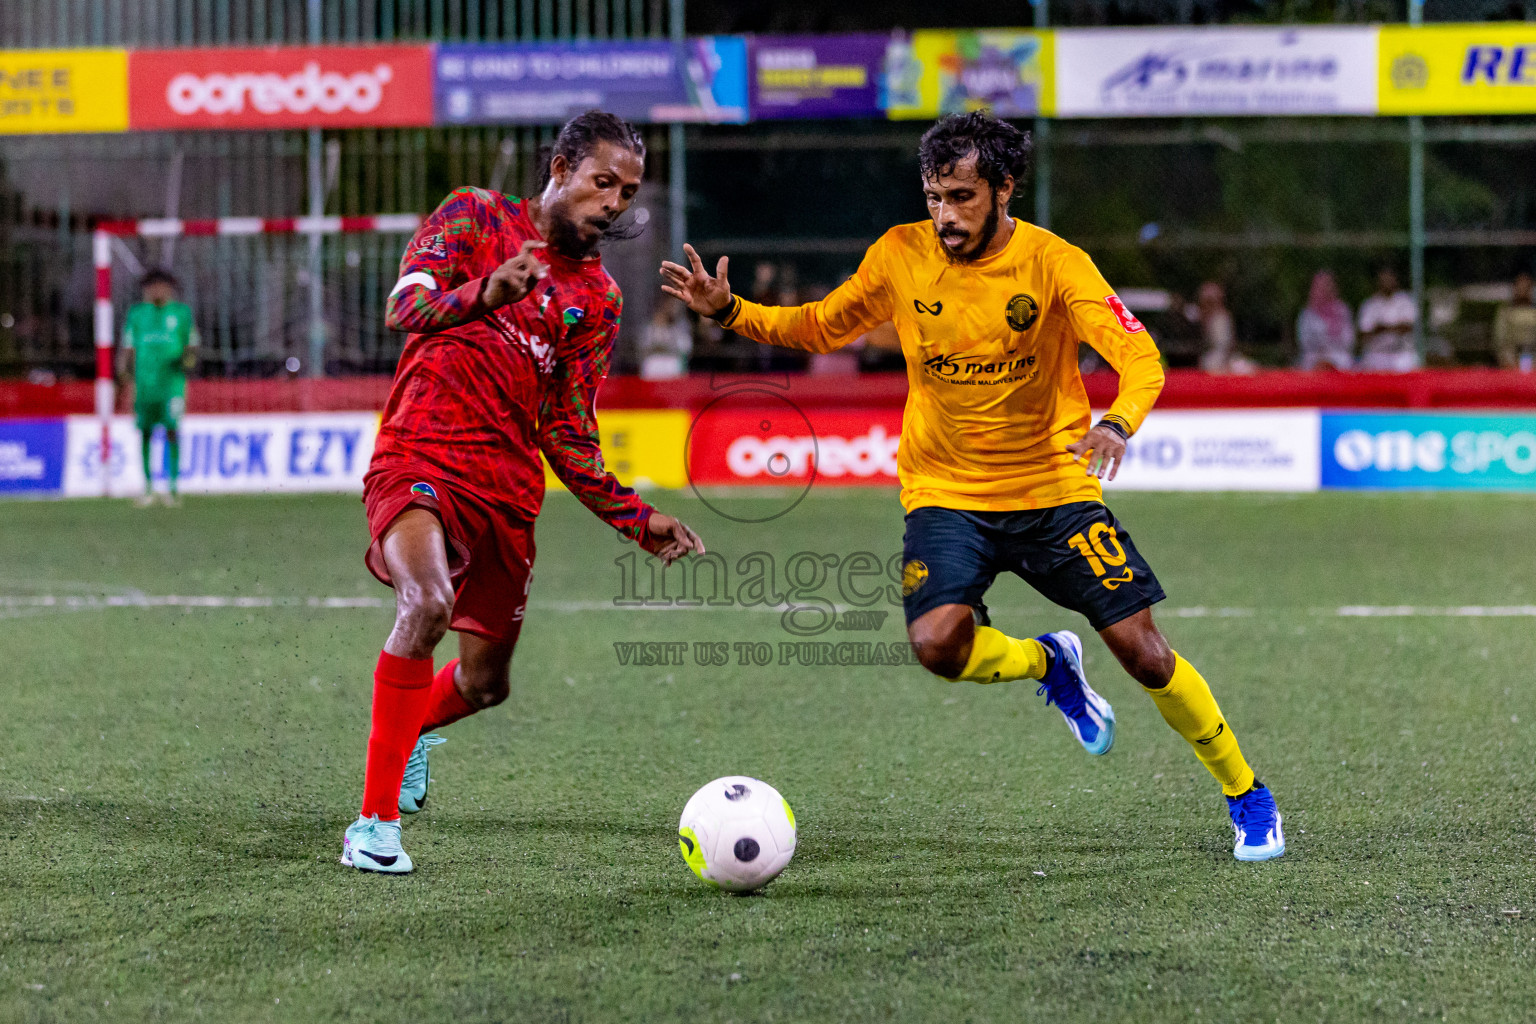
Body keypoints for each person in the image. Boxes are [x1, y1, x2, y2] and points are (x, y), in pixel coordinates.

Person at [662, 112, 1284, 862]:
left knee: (1145, 654)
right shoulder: (900, 254)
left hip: (1053, 484)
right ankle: (1047, 662)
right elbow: (821, 326)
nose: (945, 215)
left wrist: (1117, 424)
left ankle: (1247, 793)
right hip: (947, 491)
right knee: (936, 645)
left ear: (1004, 189)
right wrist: (731, 311)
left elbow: (1139, 355)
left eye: (960, 197)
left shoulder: (1054, 263)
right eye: (933, 197)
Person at [342, 111, 705, 874]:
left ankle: (412, 734)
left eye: (627, 190)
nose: (613, 203)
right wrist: (485, 291)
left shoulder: (599, 301)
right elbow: (403, 309)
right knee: (427, 603)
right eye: (602, 181)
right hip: (421, 454)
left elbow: (567, 432)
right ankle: (373, 828)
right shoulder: (472, 217)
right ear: (561, 166)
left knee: (485, 683)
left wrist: (639, 520)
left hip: (507, 492)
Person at [117, 268, 197, 506]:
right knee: (145, 432)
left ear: (169, 288)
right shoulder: (138, 314)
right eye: (151, 287)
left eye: (159, 286)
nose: (155, 291)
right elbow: (128, 349)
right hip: (144, 386)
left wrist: (188, 359)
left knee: (172, 431)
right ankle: (148, 487)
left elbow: (191, 344)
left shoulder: (181, 313)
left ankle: (172, 488)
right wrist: (124, 377)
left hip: (172, 385)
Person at [1357, 267, 1419, 372]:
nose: (1386, 282)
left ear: (1395, 280)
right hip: (1377, 353)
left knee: (1409, 363)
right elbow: (1364, 333)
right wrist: (1391, 327)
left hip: (1401, 352)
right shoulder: (1370, 304)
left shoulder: (1405, 300)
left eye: (1389, 278)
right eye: (1383, 279)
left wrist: (1383, 328)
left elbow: (1407, 327)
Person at [1296, 270, 1355, 371]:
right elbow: (1304, 341)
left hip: (1339, 358)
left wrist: (1331, 354)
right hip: (1314, 358)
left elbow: (1349, 339)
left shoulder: (1342, 310)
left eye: (1328, 284)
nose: (1325, 288)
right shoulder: (1307, 313)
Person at [1195, 281, 1256, 375]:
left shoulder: (1223, 317)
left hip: (1225, 358)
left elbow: (1228, 344)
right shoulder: (1202, 317)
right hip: (1213, 359)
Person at [1493, 271, 1536, 372]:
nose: (1523, 290)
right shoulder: (1506, 312)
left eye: (1526, 287)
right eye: (1520, 286)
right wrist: (1508, 361)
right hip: (1510, 362)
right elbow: (1500, 340)